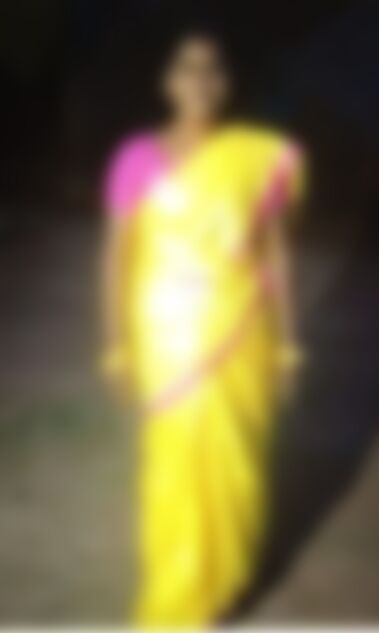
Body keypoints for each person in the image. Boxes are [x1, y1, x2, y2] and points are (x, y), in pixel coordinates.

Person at [100, 30, 304, 626]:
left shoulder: (254, 158)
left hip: (239, 336)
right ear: (166, 80)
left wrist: (288, 347)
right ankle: (177, 598)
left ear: (228, 82)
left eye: (213, 69)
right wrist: (116, 348)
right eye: (187, 68)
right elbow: (116, 258)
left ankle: (220, 583)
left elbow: (275, 257)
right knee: (171, 471)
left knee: (236, 465)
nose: (200, 81)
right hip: (165, 341)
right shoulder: (136, 158)